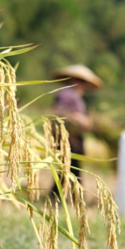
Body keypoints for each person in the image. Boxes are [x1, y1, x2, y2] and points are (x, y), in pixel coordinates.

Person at [50, 65, 103, 197]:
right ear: (74, 80)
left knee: (70, 168)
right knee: (69, 168)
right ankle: (72, 197)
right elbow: (59, 112)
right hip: (67, 138)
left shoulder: (76, 97)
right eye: (80, 82)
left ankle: (65, 196)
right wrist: (79, 119)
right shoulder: (66, 94)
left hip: (75, 138)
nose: (82, 86)